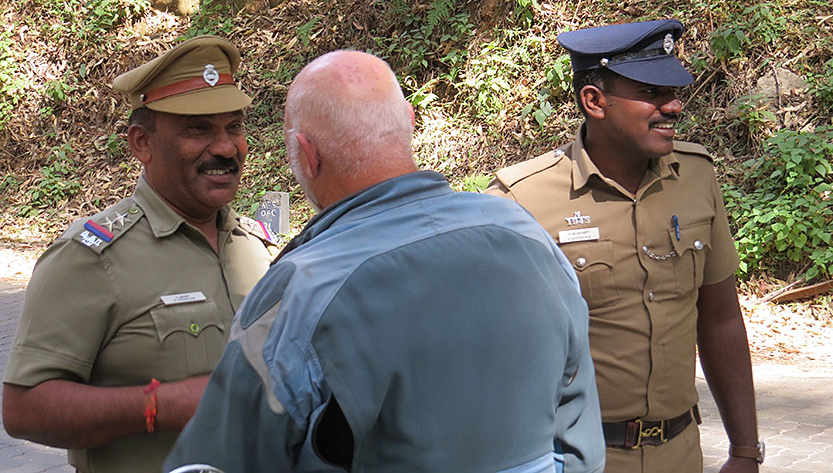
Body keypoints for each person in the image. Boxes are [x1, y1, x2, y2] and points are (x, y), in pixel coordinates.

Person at [163, 50, 606, 473]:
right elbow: (579, 441)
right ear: (409, 123)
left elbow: (221, 456)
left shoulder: (301, 290)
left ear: (307, 154)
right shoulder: (526, 235)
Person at [487, 20, 763, 473]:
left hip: (680, 453)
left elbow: (720, 319)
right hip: (574, 459)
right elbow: (485, 345)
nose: (673, 106)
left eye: (674, 91)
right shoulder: (522, 199)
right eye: (652, 92)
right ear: (594, 101)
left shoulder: (696, 177)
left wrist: (745, 450)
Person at [2, 36, 274, 473]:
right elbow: (24, 409)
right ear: (142, 143)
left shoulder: (255, 247)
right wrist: (160, 405)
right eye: (198, 129)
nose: (226, 148)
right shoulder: (90, 258)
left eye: (234, 127)